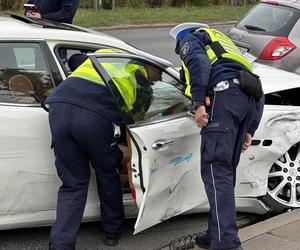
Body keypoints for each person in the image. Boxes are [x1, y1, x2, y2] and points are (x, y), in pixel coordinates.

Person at [44, 48, 152, 249]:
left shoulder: (98, 56)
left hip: (58, 109)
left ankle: (60, 245)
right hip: (93, 117)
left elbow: (75, 60)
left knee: (72, 184)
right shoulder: (137, 69)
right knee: (107, 172)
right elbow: (140, 111)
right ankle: (112, 231)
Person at [170, 23, 264, 250]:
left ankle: (227, 243)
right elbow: (257, 87)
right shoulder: (226, 46)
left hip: (223, 99)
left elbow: (198, 64)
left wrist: (198, 103)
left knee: (216, 172)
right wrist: (250, 128)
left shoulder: (191, 38)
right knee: (224, 176)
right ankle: (215, 235)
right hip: (246, 103)